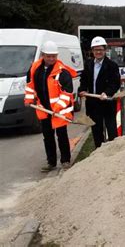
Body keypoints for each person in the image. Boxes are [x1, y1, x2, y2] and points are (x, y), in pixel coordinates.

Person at [24, 41, 76, 172]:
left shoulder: (62, 72)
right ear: (43, 55)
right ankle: (51, 162)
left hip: (59, 111)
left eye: (54, 56)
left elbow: (67, 93)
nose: (51, 58)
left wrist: (57, 108)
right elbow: (30, 86)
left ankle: (65, 161)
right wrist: (29, 99)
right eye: (48, 56)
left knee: (62, 135)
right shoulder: (35, 68)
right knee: (47, 136)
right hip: (44, 110)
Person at [78, 36, 120, 148]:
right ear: (92, 51)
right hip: (93, 105)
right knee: (97, 132)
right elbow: (84, 80)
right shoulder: (88, 64)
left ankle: (114, 152)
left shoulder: (112, 66)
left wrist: (107, 93)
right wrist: (82, 90)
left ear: (105, 50)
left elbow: (115, 84)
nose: (98, 52)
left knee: (111, 131)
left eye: (100, 49)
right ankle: (99, 154)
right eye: (96, 50)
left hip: (107, 103)